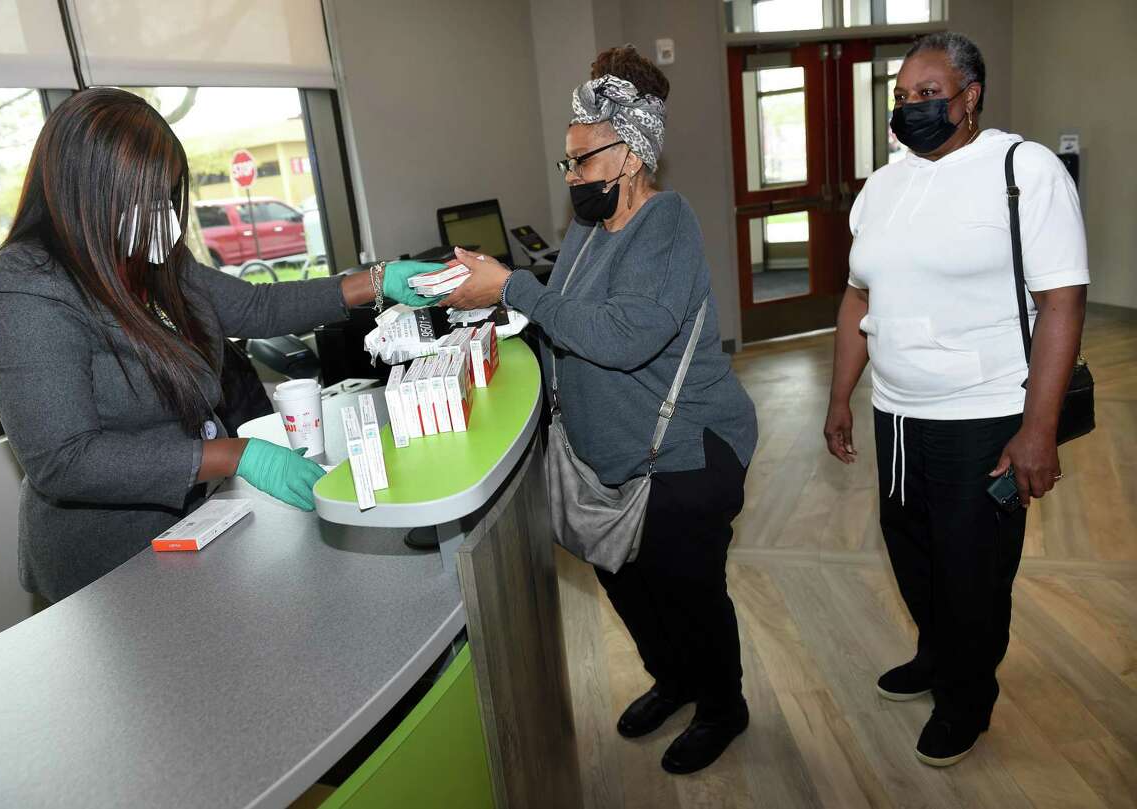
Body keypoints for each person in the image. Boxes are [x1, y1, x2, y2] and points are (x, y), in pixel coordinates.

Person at [0, 89, 437, 603]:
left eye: (167, 195)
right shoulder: (25, 286)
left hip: (192, 526)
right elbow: (66, 460)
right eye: (144, 198)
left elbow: (258, 308)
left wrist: (377, 280)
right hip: (103, 570)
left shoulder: (149, 260)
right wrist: (234, 455)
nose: (162, 215)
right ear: (87, 193)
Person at [445, 46, 758, 775]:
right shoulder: (588, 231)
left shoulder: (668, 224)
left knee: (689, 590)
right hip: (612, 457)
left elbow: (625, 336)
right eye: (568, 162)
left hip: (686, 452)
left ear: (631, 155)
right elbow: (568, 321)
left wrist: (513, 289)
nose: (573, 177)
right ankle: (674, 678)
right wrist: (500, 321)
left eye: (582, 160)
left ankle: (723, 703)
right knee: (627, 579)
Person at [823, 33, 1089, 767]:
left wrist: (1037, 429)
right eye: (902, 97)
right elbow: (857, 298)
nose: (912, 108)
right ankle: (938, 654)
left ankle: (967, 700)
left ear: (970, 97)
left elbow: (1062, 301)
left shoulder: (1021, 170)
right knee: (911, 551)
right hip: (899, 412)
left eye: (928, 94)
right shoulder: (883, 186)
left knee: (973, 571)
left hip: (986, 415)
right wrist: (842, 394)